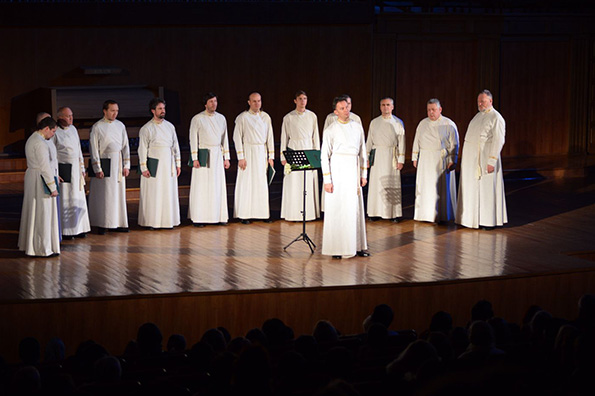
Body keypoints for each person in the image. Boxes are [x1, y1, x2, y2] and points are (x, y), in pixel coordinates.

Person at [321, 96, 369, 259]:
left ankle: (357, 246)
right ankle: (337, 247)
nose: (346, 110)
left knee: (354, 209)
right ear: (336, 112)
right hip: (338, 171)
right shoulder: (330, 130)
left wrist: (363, 174)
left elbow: (363, 151)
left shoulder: (357, 127)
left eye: (347, 107)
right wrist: (327, 180)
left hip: (353, 171)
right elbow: (323, 156)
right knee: (338, 210)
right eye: (342, 108)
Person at [456, 90, 507, 229]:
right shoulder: (477, 117)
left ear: (490, 101)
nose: (480, 104)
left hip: (485, 159)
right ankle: (470, 219)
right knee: (472, 189)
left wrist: (492, 160)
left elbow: (498, 140)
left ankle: (487, 221)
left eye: (483, 101)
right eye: (479, 101)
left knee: (486, 190)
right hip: (472, 161)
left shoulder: (496, 118)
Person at [412, 98, 459, 223]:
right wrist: (415, 157)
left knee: (439, 188)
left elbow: (454, 143)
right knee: (425, 187)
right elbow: (417, 141)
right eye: (428, 110)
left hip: (440, 159)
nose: (431, 113)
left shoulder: (448, 124)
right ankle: (425, 215)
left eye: (433, 110)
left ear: (440, 109)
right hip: (425, 160)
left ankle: (442, 215)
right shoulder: (422, 124)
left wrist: (452, 159)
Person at [18, 117, 60, 257]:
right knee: (43, 212)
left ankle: (32, 245)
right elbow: (44, 167)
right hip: (40, 179)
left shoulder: (33, 138)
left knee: (34, 212)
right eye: (53, 131)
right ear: (46, 128)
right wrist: (53, 187)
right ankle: (43, 248)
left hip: (32, 176)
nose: (53, 134)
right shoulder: (40, 143)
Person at [88, 100, 131, 234]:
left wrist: (126, 165)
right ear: (104, 111)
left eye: (117, 111)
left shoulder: (120, 125)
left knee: (117, 194)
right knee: (105, 194)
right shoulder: (97, 127)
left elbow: (125, 146)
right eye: (112, 110)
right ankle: (103, 223)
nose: (115, 113)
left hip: (117, 163)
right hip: (105, 162)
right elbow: (94, 148)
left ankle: (118, 223)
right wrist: (97, 168)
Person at [188, 92, 231, 226]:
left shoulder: (221, 118)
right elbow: (193, 139)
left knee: (217, 185)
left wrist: (226, 158)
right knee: (202, 186)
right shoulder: (197, 119)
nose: (214, 104)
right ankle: (200, 217)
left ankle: (219, 216)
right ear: (205, 103)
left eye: (215, 101)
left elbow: (225, 139)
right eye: (211, 102)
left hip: (217, 154)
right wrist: (194, 157)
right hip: (203, 154)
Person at [138, 97, 181, 229]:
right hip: (154, 164)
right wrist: (143, 167)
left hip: (168, 164)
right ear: (153, 111)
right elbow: (142, 149)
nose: (163, 111)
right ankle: (152, 221)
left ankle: (168, 221)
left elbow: (175, 146)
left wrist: (178, 164)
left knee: (168, 191)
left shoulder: (170, 126)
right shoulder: (146, 128)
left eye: (163, 108)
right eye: (160, 109)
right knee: (154, 192)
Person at [233, 92, 275, 224]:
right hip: (248, 151)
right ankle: (245, 214)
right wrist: (241, 156)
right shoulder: (242, 118)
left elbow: (270, 137)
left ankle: (262, 213)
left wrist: (271, 156)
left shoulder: (265, 117)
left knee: (260, 183)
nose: (257, 103)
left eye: (259, 101)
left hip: (261, 152)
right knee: (247, 183)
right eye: (254, 101)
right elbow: (237, 138)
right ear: (249, 102)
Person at [280, 90, 320, 221]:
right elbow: (284, 138)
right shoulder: (288, 117)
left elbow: (316, 137)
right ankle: (293, 213)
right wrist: (283, 157)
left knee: (308, 182)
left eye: (305, 98)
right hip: (294, 149)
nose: (303, 101)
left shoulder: (312, 116)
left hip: (308, 148)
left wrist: (317, 155)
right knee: (294, 183)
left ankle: (309, 214)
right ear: (295, 101)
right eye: (300, 99)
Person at [53, 106, 91, 239]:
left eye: (71, 115)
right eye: (68, 116)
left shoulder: (74, 129)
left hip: (76, 167)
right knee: (67, 198)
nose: (71, 118)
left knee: (79, 198)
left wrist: (82, 168)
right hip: (64, 168)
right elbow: (52, 153)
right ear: (60, 118)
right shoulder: (55, 132)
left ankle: (80, 228)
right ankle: (67, 231)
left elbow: (78, 149)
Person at [365, 97, 406, 222]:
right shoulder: (374, 122)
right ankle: (374, 212)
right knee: (376, 184)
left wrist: (401, 159)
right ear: (380, 106)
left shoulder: (398, 122)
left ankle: (392, 214)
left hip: (391, 156)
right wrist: (366, 157)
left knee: (391, 183)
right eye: (383, 105)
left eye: (388, 105)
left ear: (392, 107)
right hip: (377, 156)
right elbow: (369, 141)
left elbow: (402, 142)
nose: (385, 107)